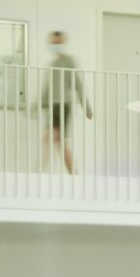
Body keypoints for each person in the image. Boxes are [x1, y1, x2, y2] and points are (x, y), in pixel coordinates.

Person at [36, 28, 90, 175]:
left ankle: (40, 174)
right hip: (53, 106)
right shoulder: (52, 64)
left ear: (63, 42)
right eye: (53, 42)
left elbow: (77, 83)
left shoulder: (68, 61)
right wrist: (38, 106)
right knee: (57, 142)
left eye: (58, 42)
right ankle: (74, 175)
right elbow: (48, 88)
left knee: (51, 140)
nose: (55, 45)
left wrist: (87, 107)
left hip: (63, 105)